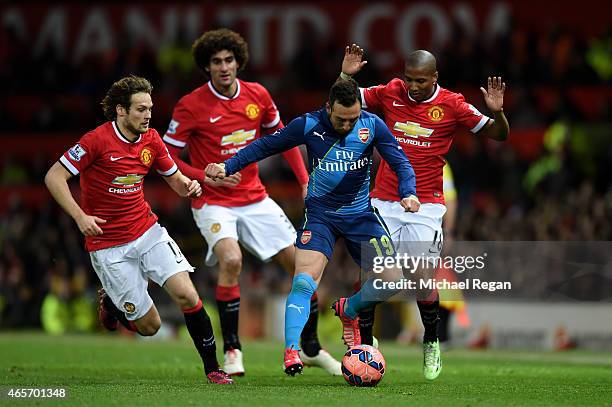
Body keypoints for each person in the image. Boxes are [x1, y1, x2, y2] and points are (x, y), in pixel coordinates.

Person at [205, 78, 421, 376]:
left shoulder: (372, 125)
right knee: (304, 282)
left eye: (353, 119)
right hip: (321, 216)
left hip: (360, 215)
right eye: (341, 119)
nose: (347, 125)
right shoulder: (307, 125)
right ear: (328, 107)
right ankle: (292, 350)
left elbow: (401, 163)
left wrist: (408, 191)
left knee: (394, 281)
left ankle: (350, 309)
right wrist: (228, 166)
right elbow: (266, 145)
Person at [163, 28, 340, 376]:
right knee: (231, 259)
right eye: (216, 61)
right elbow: (166, 156)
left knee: (303, 269)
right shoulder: (191, 106)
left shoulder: (258, 95)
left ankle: (312, 348)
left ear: (238, 62)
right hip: (213, 202)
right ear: (207, 67)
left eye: (229, 60)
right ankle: (232, 348)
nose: (224, 67)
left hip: (255, 198)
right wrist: (202, 175)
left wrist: (306, 181)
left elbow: (286, 140)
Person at [44, 75, 233, 385]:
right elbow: (54, 177)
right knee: (150, 327)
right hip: (108, 246)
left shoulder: (152, 139)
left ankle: (213, 369)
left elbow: (174, 178)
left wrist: (188, 186)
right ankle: (113, 306)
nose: (147, 115)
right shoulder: (96, 141)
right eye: (140, 109)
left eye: (150, 108)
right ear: (121, 110)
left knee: (187, 294)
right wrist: (79, 217)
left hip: (146, 232)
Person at [340, 44, 509, 380]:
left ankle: (431, 341)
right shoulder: (390, 92)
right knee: (375, 273)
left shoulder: (453, 104)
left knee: (420, 278)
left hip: (426, 204)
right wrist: (346, 74)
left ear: (435, 77)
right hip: (383, 200)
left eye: (420, 80)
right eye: (409, 79)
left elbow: (500, 135)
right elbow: (340, 99)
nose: (413, 86)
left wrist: (497, 112)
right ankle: (366, 344)